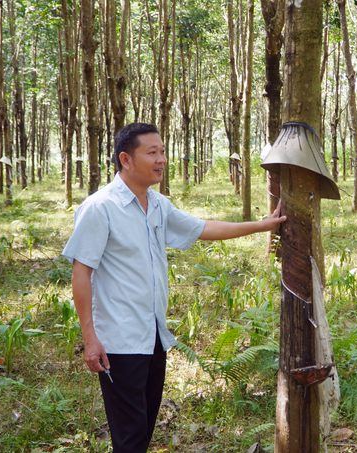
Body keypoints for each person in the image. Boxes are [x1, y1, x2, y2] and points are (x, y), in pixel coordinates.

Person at [62, 123, 286, 453]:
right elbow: (81, 273)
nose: (161, 159)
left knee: (144, 429)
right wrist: (90, 337)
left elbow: (203, 228)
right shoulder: (101, 208)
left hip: (153, 337)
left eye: (163, 151)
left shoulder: (157, 204)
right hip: (119, 343)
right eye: (151, 152)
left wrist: (262, 225)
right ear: (126, 159)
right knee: (130, 436)